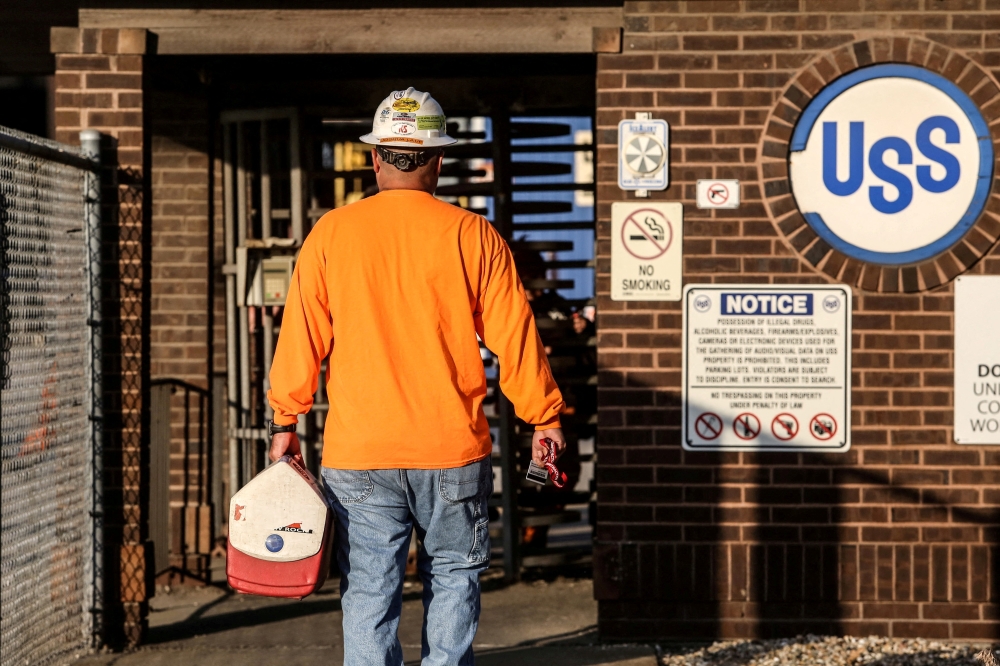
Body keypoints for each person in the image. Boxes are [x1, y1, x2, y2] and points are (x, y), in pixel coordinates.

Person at [265, 87, 566, 666]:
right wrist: (544, 416)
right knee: (454, 578)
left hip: (360, 453)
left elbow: (300, 337)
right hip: (451, 449)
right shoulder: (473, 236)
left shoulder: (332, 233)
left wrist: (286, 419)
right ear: (439, 160)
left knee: (369, 592)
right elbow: (516, 337)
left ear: (376, 158)